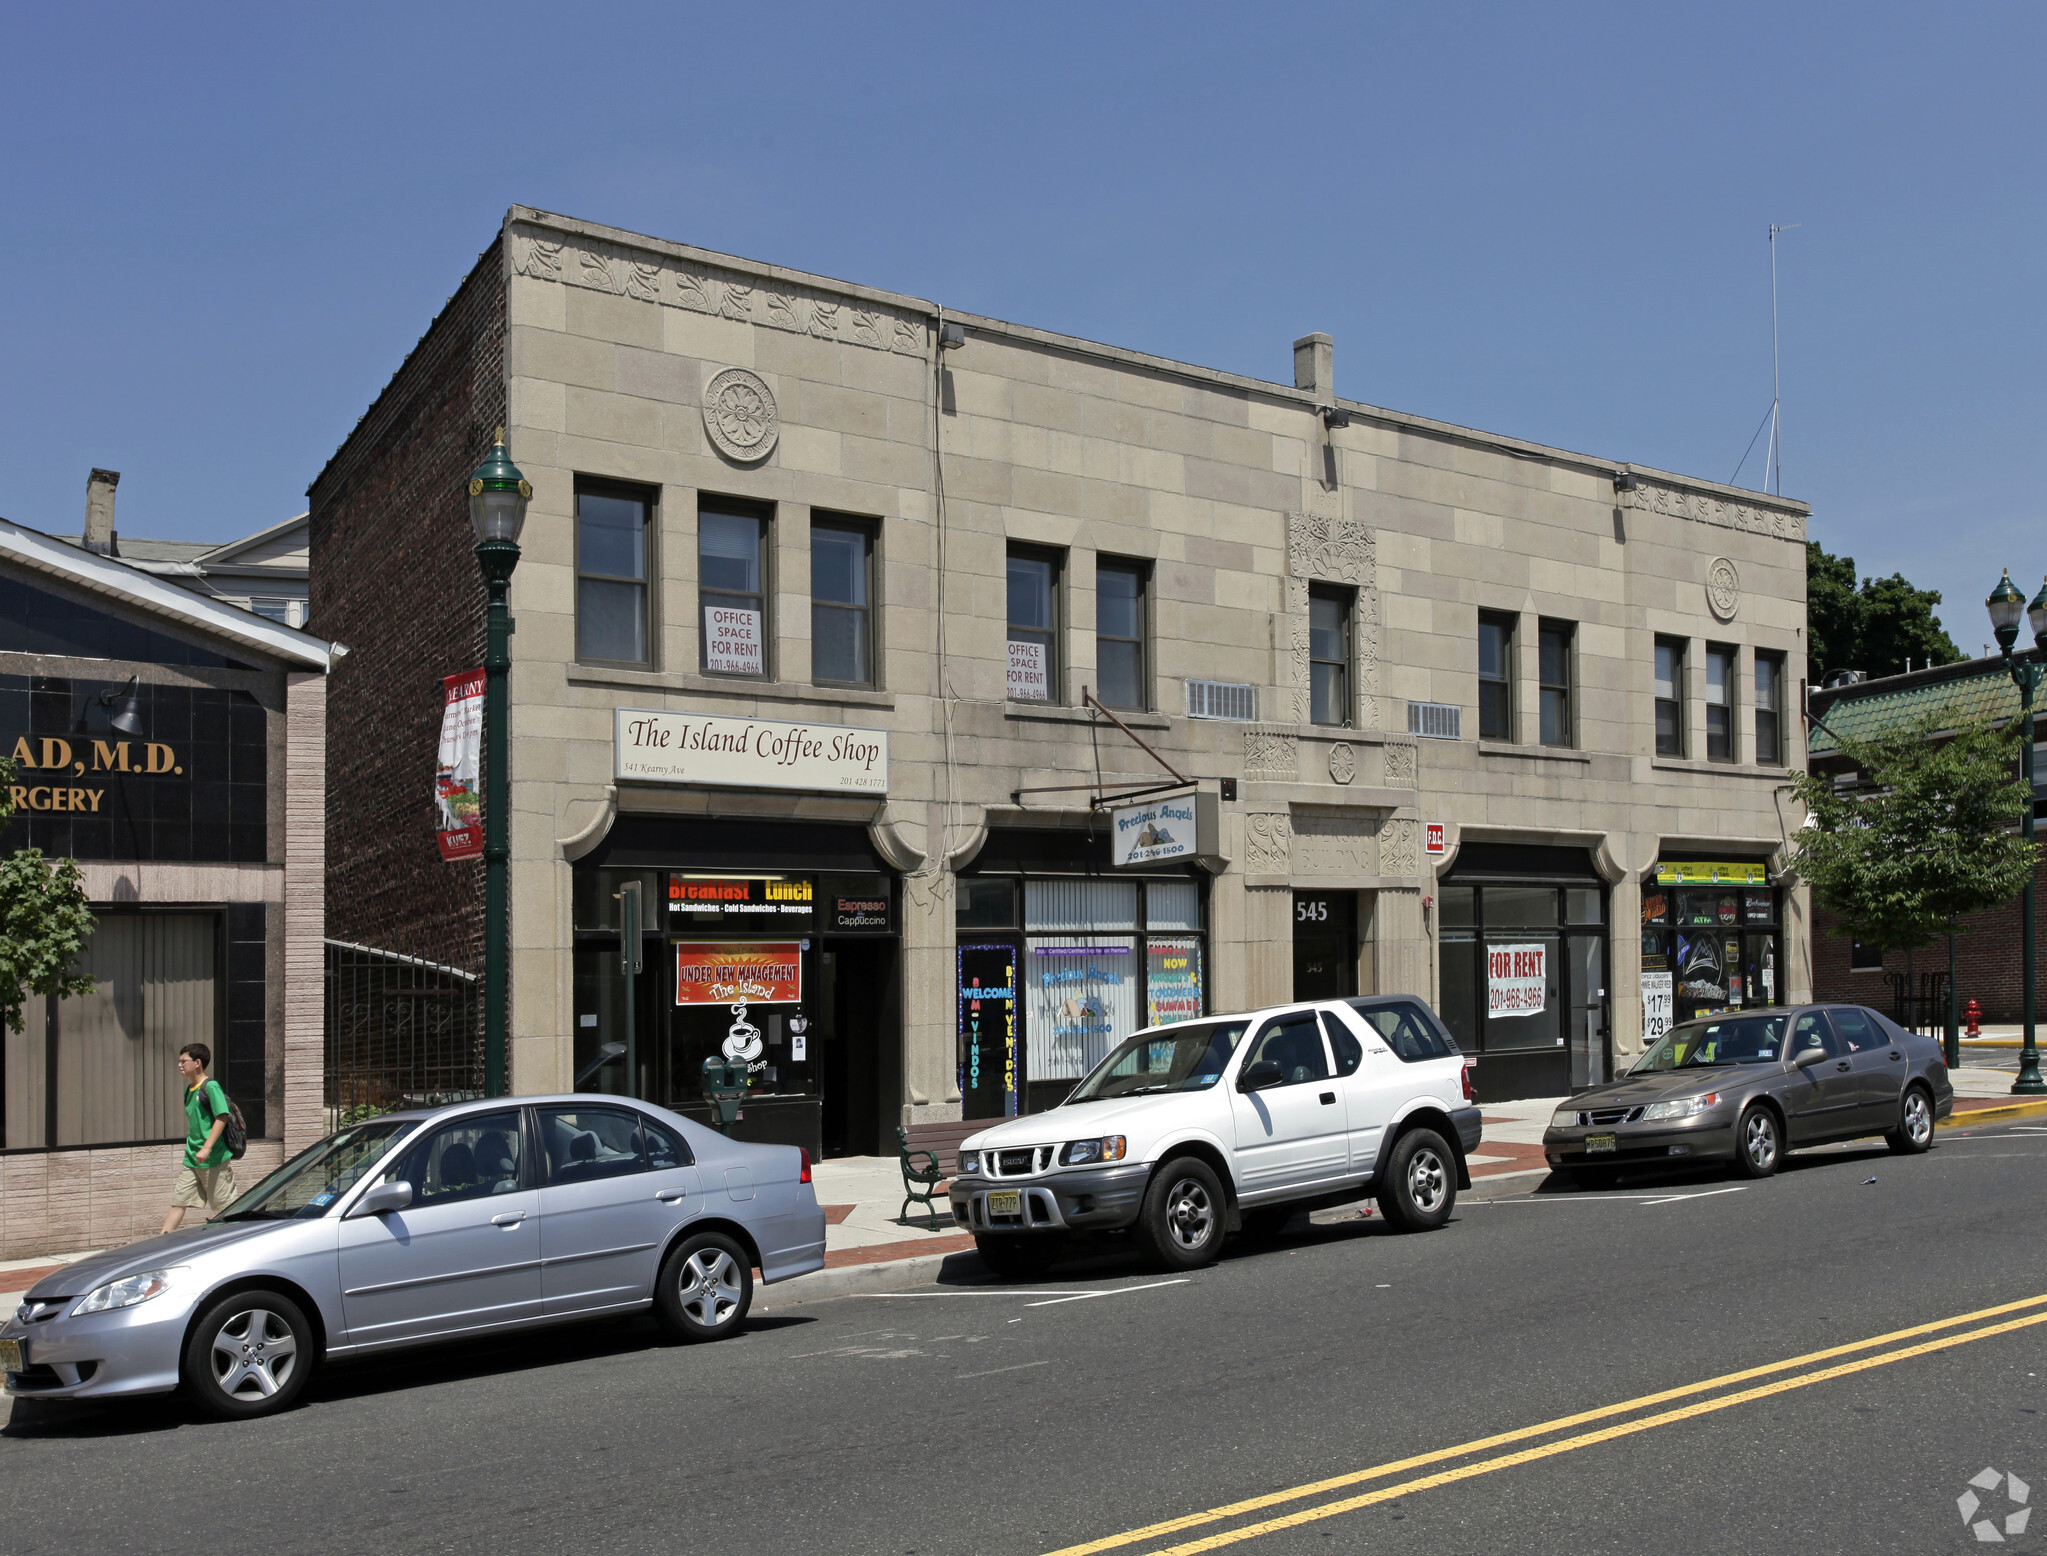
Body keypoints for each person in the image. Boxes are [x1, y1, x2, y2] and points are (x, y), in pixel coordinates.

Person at [162, 1043, 235, 1233]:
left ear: (197, 1063)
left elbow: (222, 1116)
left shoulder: (210, 1086)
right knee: (179, 1201)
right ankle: (161, 1239)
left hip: (214, 1159)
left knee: (225, 1208)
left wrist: (207, 1147)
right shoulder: (189, 1089)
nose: (179, 1065)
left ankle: (235, 1239)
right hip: (192, 1159)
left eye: (183, 1061)